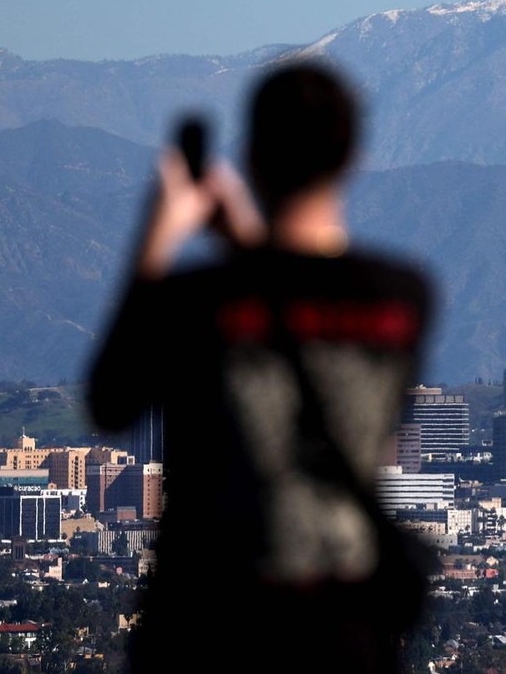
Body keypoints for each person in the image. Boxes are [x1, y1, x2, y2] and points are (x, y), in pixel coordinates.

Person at [89, 59, 436, 672]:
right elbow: (295, 307)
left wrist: (157, 236)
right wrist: (246, 244)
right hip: (344, 628)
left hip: (209, 628)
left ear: (250, 158)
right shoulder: (401, 300)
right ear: (352, 159)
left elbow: (110, 402)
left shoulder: (197, 299)